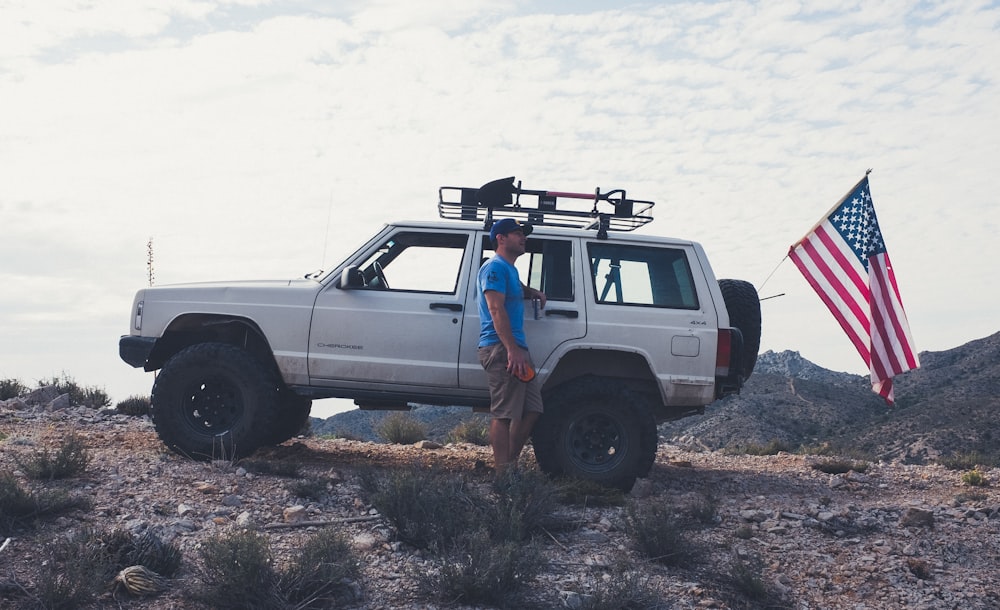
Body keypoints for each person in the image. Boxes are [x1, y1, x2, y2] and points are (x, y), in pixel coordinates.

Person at [478, 217, 547, 472]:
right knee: (504, 414)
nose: (523, 237)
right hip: (502, 349)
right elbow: (495, 308)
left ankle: (509, 464)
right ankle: (503, 476)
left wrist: (532, 292)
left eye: (523, 234)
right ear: (501, 238)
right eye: (517, 233)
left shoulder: (509, 269)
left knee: (532, 409)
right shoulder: (494, 267)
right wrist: (511, 350)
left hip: (516, 348)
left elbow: (513, 287)